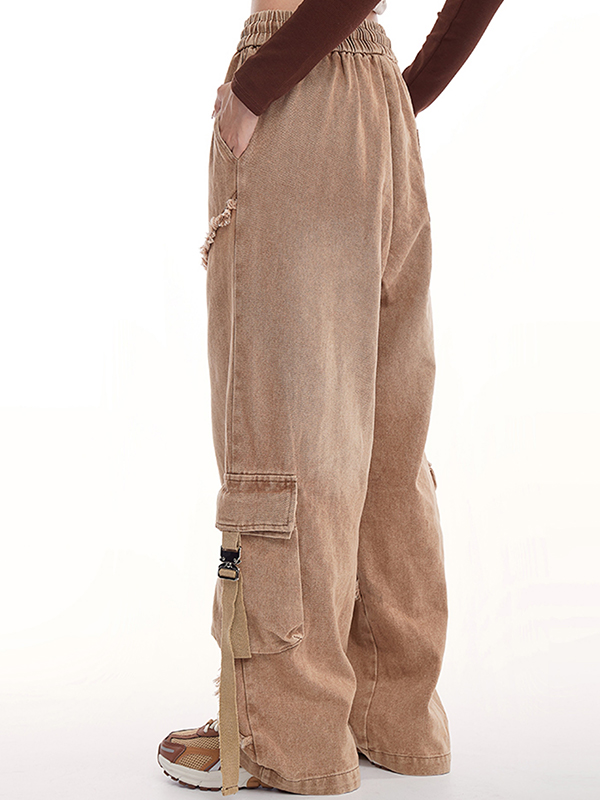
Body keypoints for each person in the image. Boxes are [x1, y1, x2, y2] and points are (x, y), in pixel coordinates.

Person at [157, 0, 504, 795]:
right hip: (377, 99)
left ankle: (286, 732)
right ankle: (392, 716)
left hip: (297, 86)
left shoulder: (276, 78)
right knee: (386, 436)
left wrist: (258, 84)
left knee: (285, 429)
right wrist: (402, 94)